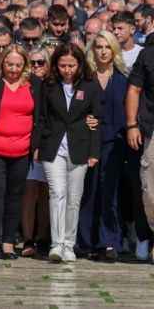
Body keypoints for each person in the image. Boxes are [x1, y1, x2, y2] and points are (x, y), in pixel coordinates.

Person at [0, 44, 42, 261]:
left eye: (18, 65)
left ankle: (8, 241)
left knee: (15, 195)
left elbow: (41, 116)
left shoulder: (34, 84)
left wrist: (36, 145)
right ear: (2, 62)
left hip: (22, 150)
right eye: (9, 64)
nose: (13, 69)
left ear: (25, 65)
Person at [39, 44, 101, 263]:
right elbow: (41, 117)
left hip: (80, 147)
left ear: (80, 64)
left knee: (74, 198)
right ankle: (56, 244)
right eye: (63, 65)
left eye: (71, 65)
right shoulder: (48, 85)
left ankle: (68, 243)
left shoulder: (90, 85)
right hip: (53, 146)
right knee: (57, 193)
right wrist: (37, 146)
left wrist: (94, 152)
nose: (67, 70)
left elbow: (97, 119)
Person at [79, 31, 127, 261]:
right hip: (88, 141)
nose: (103, 51)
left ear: (114, 50)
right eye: (99, 46)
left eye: (108, 46)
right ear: (93, 50)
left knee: (110, 193)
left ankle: (109, 241)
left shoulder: (122, 79)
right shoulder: (85, 78)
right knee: (88, 191)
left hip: (114, 141)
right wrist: (85, 118)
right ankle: (85, 241)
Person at [20, 48, 51, 258]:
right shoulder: (26, 84)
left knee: (46, 193)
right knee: (30, 192)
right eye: (32, 63)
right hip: (27, 143)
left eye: (41, 62)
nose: (36, 67)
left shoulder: (52, 84)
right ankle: (28, 238)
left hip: (48, 143)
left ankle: (43, 237)